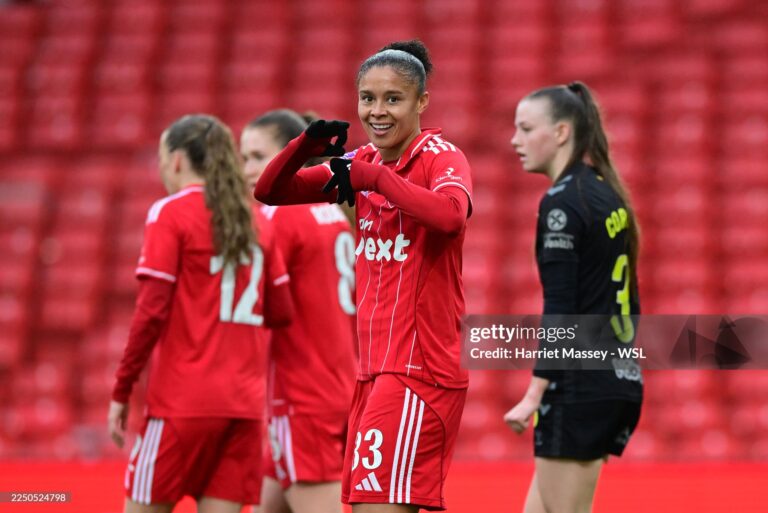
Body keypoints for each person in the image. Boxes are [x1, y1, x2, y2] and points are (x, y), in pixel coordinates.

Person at [254, 40, 473, 512]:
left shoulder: (440, 155)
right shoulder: (363, 163)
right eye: (367, 98)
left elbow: (452, 216)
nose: (378, 111)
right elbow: (270, 191)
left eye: (393, 99)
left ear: (421, 102)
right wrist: (303, 148)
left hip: (419, 369)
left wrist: (376, 181)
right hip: (373, 372)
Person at [108, 114, 293, 513]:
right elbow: (281, 311)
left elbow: (150, 314)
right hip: (243, 410)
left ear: (176, 160)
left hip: (182, 405)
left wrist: (122, 390)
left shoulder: (170, 212)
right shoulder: (258, 222)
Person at [503, 82, 644, 513]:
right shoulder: (605, 192)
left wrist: (533, 393)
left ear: (561, 132)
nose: (515, 140)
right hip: (615, 379)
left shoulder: (562, 203)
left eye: (526, 129)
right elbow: (630, 302)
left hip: (579, 386)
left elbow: (561, 310)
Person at [240, 109, 357, 513]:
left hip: (301, 397)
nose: (247, 169)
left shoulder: (276, 216)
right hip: (338, 385)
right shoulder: (333, 214)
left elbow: (263, 308)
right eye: (243, 158)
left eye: (257, 157)